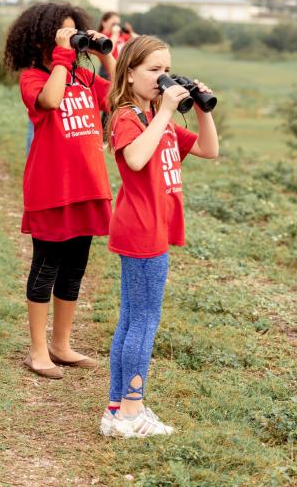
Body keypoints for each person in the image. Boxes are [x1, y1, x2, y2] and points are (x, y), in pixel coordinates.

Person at [99, 35, 218, 438]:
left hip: (151, 229)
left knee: (132, 319)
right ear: (129, 73)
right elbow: (134, 158)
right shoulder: (127, 116)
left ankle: (118, 410)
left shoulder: (155, 118)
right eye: (153, 70)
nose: (161, 78)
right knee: (145, 322)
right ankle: (133, 410)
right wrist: (166, 110)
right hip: (141, 231)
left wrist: (201, 107)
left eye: (166, 70)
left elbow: (208, 149)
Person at [4, 1, 116, 379]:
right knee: (46, 266)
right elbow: (51, 101)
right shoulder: (33, 77)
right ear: (40, 42)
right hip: (52, 189)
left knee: (74, 268)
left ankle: (62, 345)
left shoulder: (84, 78)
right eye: (61, 33)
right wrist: (63, 55)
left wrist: (105, 54)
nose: (71, 40)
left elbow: (118, 100)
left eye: (74, 32)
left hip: (87, 185)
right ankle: (38, 351)